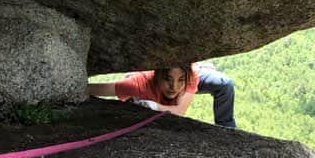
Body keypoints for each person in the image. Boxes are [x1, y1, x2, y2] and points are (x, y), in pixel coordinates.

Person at [87, 62, 236, 127]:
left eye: (180, 81)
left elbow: (178, 111)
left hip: (192, 73)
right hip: (149, 87)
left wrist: (153, 106)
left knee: (224, 85)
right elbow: (107, 89)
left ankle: (228, 130)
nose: (174, 87)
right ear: (158, 77)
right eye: (168, 80)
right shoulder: (140, 84)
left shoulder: (190, 75)